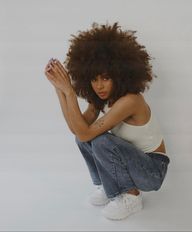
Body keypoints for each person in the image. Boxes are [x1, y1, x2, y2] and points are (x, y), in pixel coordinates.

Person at [44, 22, 170, 220]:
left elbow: (86, 132)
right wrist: (60, 91)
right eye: (94, 79)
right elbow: (78, 131)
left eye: (105, 78)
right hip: (135, 162)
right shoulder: (102, 99)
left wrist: (70, 90)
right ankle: (108, 185)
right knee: (83, 139)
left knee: (101, 140)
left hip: (153, 171)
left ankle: (131, 196)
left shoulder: (131, 100)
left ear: (119, 75)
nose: (99, 86)